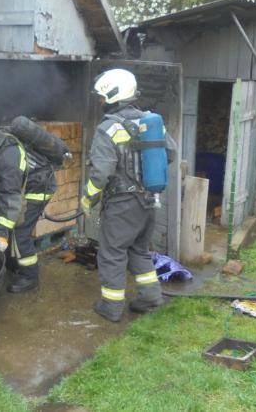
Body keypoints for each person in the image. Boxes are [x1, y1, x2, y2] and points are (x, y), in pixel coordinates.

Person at [80, 68, 177, 322]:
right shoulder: (149, 121)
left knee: (112, 253)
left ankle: (111, 307)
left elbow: (101, 173)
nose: (101, 102)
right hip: (149, 200)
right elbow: (171, 153)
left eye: (102, 97)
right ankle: (150, 299)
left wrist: (88, 198)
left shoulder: (107, 129)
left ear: (113, 95)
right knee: (139, 250)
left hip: (123, 203)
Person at [0, 113, 56, 293]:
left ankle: (30, 276)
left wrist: (1, 235)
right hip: (22, 188)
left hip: (36, 189)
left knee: (20, 232)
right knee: (9, 226)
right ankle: (13, 264)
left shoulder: (8, 155)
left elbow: (11, 197)